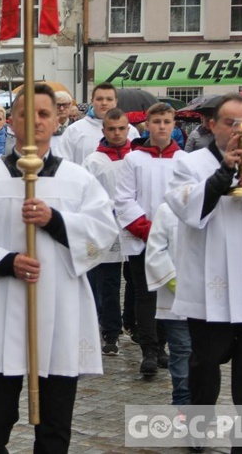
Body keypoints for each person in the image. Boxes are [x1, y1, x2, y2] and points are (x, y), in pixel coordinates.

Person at [0, 84, 118, 453]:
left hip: (61, 306)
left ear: (58, 120)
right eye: (26, 114)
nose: (36, 121)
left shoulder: (79, 179)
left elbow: (103, 233)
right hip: (1, 304)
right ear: (11, 121)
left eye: (44, 114)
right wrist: (7, 261)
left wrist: (55, 220)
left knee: (55, 420)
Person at [164, 93, 242, 449]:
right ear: (211, 124)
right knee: (204, 367)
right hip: (209, 286)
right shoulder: (189, 163)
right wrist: (224, 174)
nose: (239, 130)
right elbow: (185, 207)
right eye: (231, 123)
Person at [114, 102, 185, 377]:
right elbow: (123, 199)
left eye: (167, 122)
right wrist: (148, 229)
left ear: (174, 124)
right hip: (141, 237)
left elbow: (186, 199)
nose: (162, 127)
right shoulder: (134, 159)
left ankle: (163, 346)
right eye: (157, 122)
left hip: (174, 239)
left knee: (168, 293)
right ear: (147, 124)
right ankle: (149, 349)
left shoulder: (183, 160)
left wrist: (169, 231)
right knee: (145, 295)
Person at [82, 108, 132, 356]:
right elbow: (87, 196)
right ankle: (110, 331)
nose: (117, 133)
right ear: (103, 131)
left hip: (135, 227)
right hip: (108, 229)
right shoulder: (93, 161)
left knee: (136, 281)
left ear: (128, 128)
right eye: (111, 129)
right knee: (109, 282)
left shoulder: (137, 157)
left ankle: (134, 323)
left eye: (121, 128)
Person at [145, 202, 191, 408]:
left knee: (206, 357)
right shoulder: (167, 210)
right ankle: (182, 402)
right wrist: (175, 282)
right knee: (181, 351)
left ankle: (202, 402)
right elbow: (155, 251)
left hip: (211, 301)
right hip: (176, 301)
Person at [57, 82, 140, 164]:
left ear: (116, 101)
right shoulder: (74, 130)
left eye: (109, 99)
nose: (104, 103)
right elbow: (63, 164)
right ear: (92, 101)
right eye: (99, 99)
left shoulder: (131, 131)